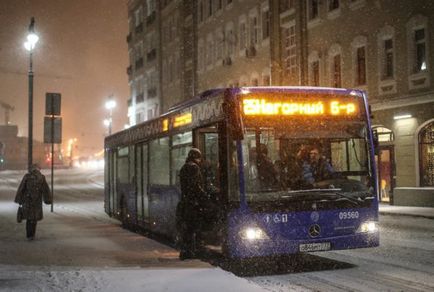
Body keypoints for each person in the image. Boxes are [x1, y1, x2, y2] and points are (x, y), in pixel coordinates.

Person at [176, 148, 207, 260]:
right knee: (194, 228)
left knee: (187, 229)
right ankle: (193, 251)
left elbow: (187, 186)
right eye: (199, 158)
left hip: (186, 203)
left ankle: (186, 251)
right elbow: (195, 186)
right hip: (192, 204)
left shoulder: (184, 167)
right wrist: (204, 197)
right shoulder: (193, 167)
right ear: (196, 157)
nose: (200, 160)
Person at [14, 164, 52, 240]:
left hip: (27, 200)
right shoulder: (41, 177)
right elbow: (45, 190)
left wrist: (18, 199)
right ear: (38, 169)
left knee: (29, 218)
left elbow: (21, 188)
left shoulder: (27, 176)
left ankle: (29, 235)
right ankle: (32, 234)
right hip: (37, 201)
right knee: (34, 218)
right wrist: (47, 199)